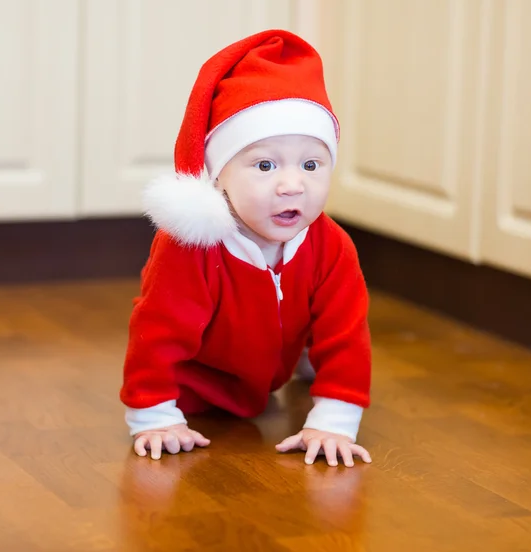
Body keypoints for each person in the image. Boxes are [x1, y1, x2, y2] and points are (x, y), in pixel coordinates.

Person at [120, 29, 372, 467]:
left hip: (272, 370)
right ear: (218, 175)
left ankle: (306, 362)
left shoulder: (330, 244)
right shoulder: (191, 245)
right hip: (196, 387)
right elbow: (157, 331)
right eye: (265, 164)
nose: (292, 184)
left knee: (328, 322)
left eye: (312, 164)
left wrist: (333, 419)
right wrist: (154, 415)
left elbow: (346, 331)